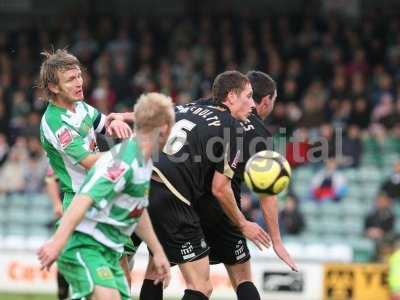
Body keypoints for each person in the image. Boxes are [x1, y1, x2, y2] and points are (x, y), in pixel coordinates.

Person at [139, 70, 271, 300]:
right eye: (248, 97)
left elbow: (152, 121)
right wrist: (243, 223)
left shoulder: (187, 108)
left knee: (157, 269)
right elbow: (220, 188)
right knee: (201, 286)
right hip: (172, 195)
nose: (252, 105)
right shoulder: (233, 127)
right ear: (231, 96)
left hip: (142, 185)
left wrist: (122, 116)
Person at [37, 92, 175, 300]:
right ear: (164, 128)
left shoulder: (142, 161)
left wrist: (158, 251)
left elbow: (137, 210)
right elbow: (84, 198)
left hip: (107, 251)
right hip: (84, 245)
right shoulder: (122, 161)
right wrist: (57, 242)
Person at [193, 71, 297, 300]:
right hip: (225, 210)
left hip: (187, 203)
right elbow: (267, 192)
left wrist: (128, 116)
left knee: (167, 274)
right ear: (267, 100)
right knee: (242, 280)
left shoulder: (208, 104)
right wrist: (277, 241)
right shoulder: (259, 134)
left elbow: (174, 114)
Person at [38, 49, 134, 283]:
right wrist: (130, 153)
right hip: (82, 203)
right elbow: (88, 161)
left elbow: (104, 123)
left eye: (79, 75)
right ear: (53, 87)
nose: (80, 82)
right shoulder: (55, 122)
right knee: (102, 282)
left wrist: (116, 122)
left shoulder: (81, 107)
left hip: (105, 196)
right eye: (71, 79)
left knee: (122, 278)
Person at [44, 166, 69, 300]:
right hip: (67, 210)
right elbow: (50, 178)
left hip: (92, 212)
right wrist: (57, 204)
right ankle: (63, 294)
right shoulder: (63, 149)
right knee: (63, 255)